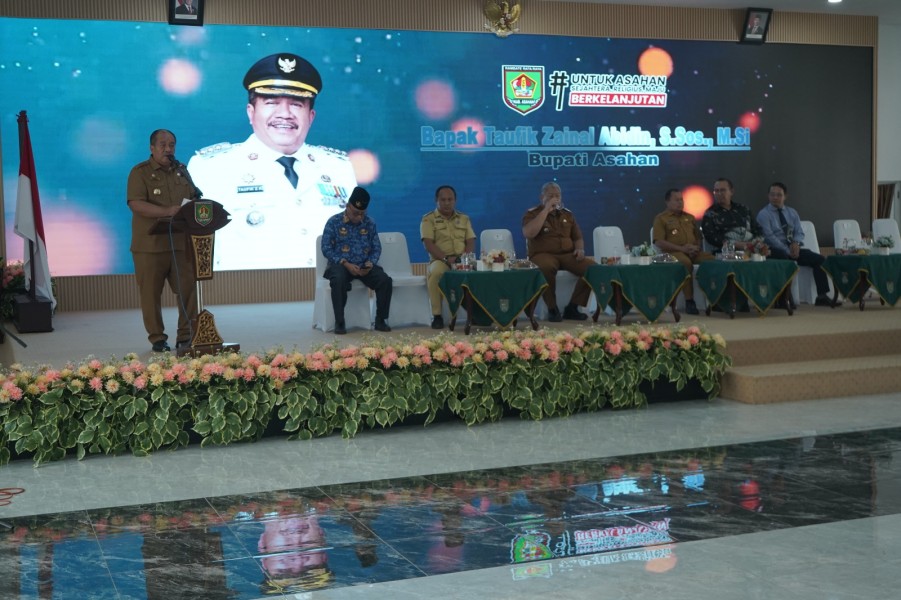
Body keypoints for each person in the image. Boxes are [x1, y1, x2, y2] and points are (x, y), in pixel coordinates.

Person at [187, 52, 357, 271]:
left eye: (296, 104)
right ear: (251, 112)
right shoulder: (211, 168)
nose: (284, 114)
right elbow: (191, 252)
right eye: (271, 102)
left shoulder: (338, 168)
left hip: (329, 290)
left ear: (311, 116)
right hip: (246, 291)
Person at [126, 129, 199, 352]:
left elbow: (194, 198)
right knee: (151, 295)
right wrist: (167, 211)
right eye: (163, 145)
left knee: (187, 290)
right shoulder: (140, 172)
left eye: (172, 145)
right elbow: (135, 204)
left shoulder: (182, 171)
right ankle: (157, 338)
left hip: (180, 243)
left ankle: (185, 335)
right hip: (150, 246)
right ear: (152, 148)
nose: (168, 149)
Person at [321, 186, 392, 334]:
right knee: (338, 279)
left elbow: (376, 248)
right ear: (347, 206)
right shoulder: (334, 222)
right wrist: (345, 263)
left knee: (384, 280)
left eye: (362, 213)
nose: (359, 217)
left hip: (364, 266)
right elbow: (326, 248)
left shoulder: (369, 223)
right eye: (355, 213)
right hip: (341, 265)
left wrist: (370, 263)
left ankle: (380, 320)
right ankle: (340, 322)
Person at [521, 182, 595, 322]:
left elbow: (577, 237)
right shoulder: (532, 213)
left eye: (557, 196)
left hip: (567, 255)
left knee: (593, 269)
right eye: (550, 196)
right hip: (542, 255)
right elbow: (529, 233)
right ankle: (552, 308)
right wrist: (546, 210)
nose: (555, 199)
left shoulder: (567, 214)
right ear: (542, 197)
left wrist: (579, 249)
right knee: (546, 267)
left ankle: (573, 307)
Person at [756, 182, 834, 306]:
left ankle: (822, 296)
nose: (775, 197)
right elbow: (769, 237)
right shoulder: (763, 214)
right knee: (783, 257)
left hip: (793, 248)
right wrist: (788, 251)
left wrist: (796, 243)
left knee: (819, 260)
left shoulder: (792, 213)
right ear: (768, 196)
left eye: (779, 195)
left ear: (785, 196)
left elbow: (799, 232)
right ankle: (784, 298)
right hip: (773, 250)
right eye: (772, 194)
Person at [420, 185, 476, 330]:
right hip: (440, 260)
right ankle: (437, 316)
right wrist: (446, 259)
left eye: (450, 199)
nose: (446, 203)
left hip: (462, 259)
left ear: (455, 200)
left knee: (480, 273)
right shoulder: (428, 219)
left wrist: (465, 258)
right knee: (436, 273)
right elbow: (428, 244)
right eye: (443, 200)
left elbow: (470, 240)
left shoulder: (464, 218)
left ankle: (478, 314)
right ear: (436, 201)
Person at [652, 188, 714, 315]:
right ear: (667, 202)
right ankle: (689, 301)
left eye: (681, 200)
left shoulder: (689, 217)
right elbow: (659, 242)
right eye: (676, 200)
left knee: (713, 261)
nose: (680, 202)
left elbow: (698, 237)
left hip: (692, 252)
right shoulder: (661, 219)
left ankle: (714, 299)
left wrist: (696, 248)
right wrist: (682, 249)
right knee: (685, 262)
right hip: (673, 253)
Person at [701, 177, 768, 254]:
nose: (719, 194)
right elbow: (710, 236)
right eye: (716, 191)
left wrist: (756, 243)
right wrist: (734, 244)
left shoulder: (743, 209)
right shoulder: (710, 213)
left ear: (731, 192)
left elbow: (758, 230)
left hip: (750, 249)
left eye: (722, 190)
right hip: (725, 252)